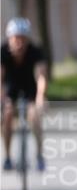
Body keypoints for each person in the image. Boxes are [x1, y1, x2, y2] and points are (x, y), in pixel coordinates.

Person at [1, 18, 48, 171]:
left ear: (28, 39)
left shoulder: (35, 51)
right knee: (7, 115)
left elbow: (41, 77)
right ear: (9, 38)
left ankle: (39, 155)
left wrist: (41, 96)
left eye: (23, 38)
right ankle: (7, 157)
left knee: (34, 115)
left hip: (29, 87)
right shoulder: (2, 52)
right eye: (16, 38)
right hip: (10, 86)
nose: (19, 42)